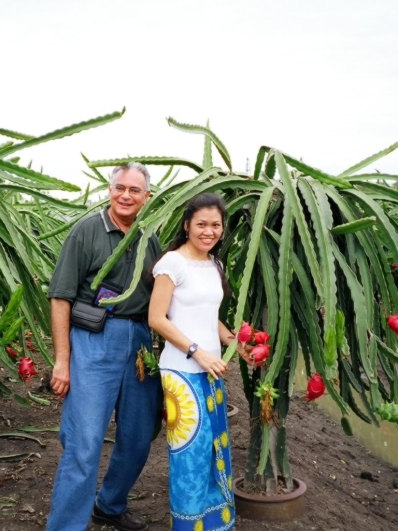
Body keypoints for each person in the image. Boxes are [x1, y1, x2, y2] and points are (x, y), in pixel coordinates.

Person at [46, 162, 162, 531]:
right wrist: (63, 360)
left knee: (139, 435)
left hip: (140, 343)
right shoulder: (87, 231)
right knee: (84, 441)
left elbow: (167, 294)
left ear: (147, 197)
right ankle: (65, 526)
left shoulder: (150, 238)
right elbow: (61, 296)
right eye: (120, 188)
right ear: (109, 190)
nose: (126, 195)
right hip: (95, 339)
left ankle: (109, 505)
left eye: (135, 190)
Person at [148, 193, 249, 531]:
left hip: (210, 369)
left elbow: (208, 316)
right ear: (187, 224)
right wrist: (197, 351)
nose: (209, 231)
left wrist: (234, 342)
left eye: (216, 225)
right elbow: (157, 318)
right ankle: (188, 526)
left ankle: (215, 524)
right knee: (189, 457)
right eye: (202, 224)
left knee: (212, 450)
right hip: (181, 371)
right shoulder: (171, 263)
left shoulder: (214, 264)